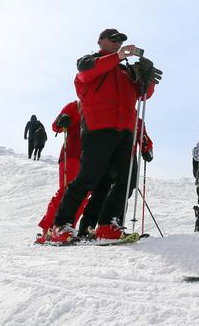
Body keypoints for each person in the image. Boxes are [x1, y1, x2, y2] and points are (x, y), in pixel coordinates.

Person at [50, 29, 158, 243]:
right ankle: (60, 225)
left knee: (128, 180)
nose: (118, 43)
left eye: (120, 41)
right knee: (88, 178)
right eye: (113, 38)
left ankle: (108, 224)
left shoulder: (126, 72)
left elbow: (142, 95)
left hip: (125, 130)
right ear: (100, 41)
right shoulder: (88, 62)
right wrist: (118, 56)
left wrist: (148, 79)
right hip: (98, 128)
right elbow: (86, 73)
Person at [77, 119, 153, 237]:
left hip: (125, 158)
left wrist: (147, 148)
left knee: (123, 191)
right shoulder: (109, 112)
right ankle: (87, 228)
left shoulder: (136, 119)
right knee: (101, 191)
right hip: (106, 156)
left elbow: (143, 137)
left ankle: (114, 226)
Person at [36, 101, 89, 243]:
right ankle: (48, 229)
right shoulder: (74, 106)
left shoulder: (98, 108)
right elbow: (56, 126)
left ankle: (67, 227)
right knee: (66, 191)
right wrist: (62, 120)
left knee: (83, 195)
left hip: (89, 157)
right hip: (71, 155)